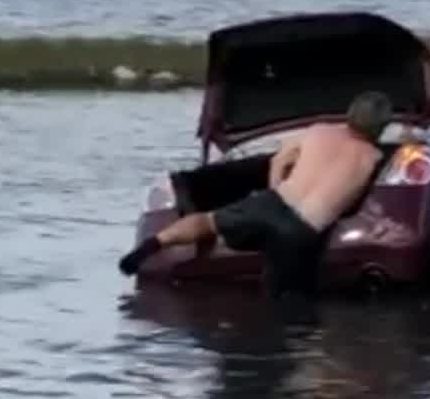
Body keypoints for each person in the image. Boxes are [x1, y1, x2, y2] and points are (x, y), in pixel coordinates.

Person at [119, 91, 395, 296]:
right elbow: (357, 198)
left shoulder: (319, 132)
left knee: (208, 222)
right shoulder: (371, 157)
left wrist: (274, 190)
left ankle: (151, 245)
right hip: (302, 230)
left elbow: (278, 162)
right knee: (283, 297)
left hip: (273, 203)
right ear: (381, 128)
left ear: (349, 112)